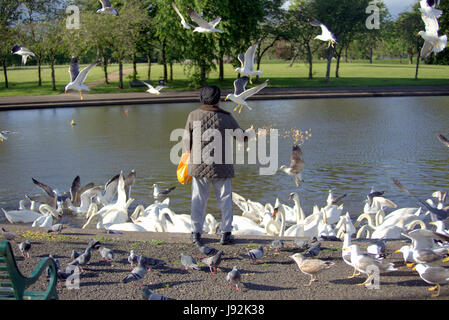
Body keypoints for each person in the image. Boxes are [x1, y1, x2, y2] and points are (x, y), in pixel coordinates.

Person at [183, 85, 251, 246]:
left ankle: (196, 233)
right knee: (225, 199)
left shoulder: (193, 115)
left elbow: (186, 143)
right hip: (222, 166)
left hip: (199, 165)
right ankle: (226, 233)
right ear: (218, 99)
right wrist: (251, 133)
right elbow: (241, 138)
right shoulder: (226, 117)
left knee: (198, 199)